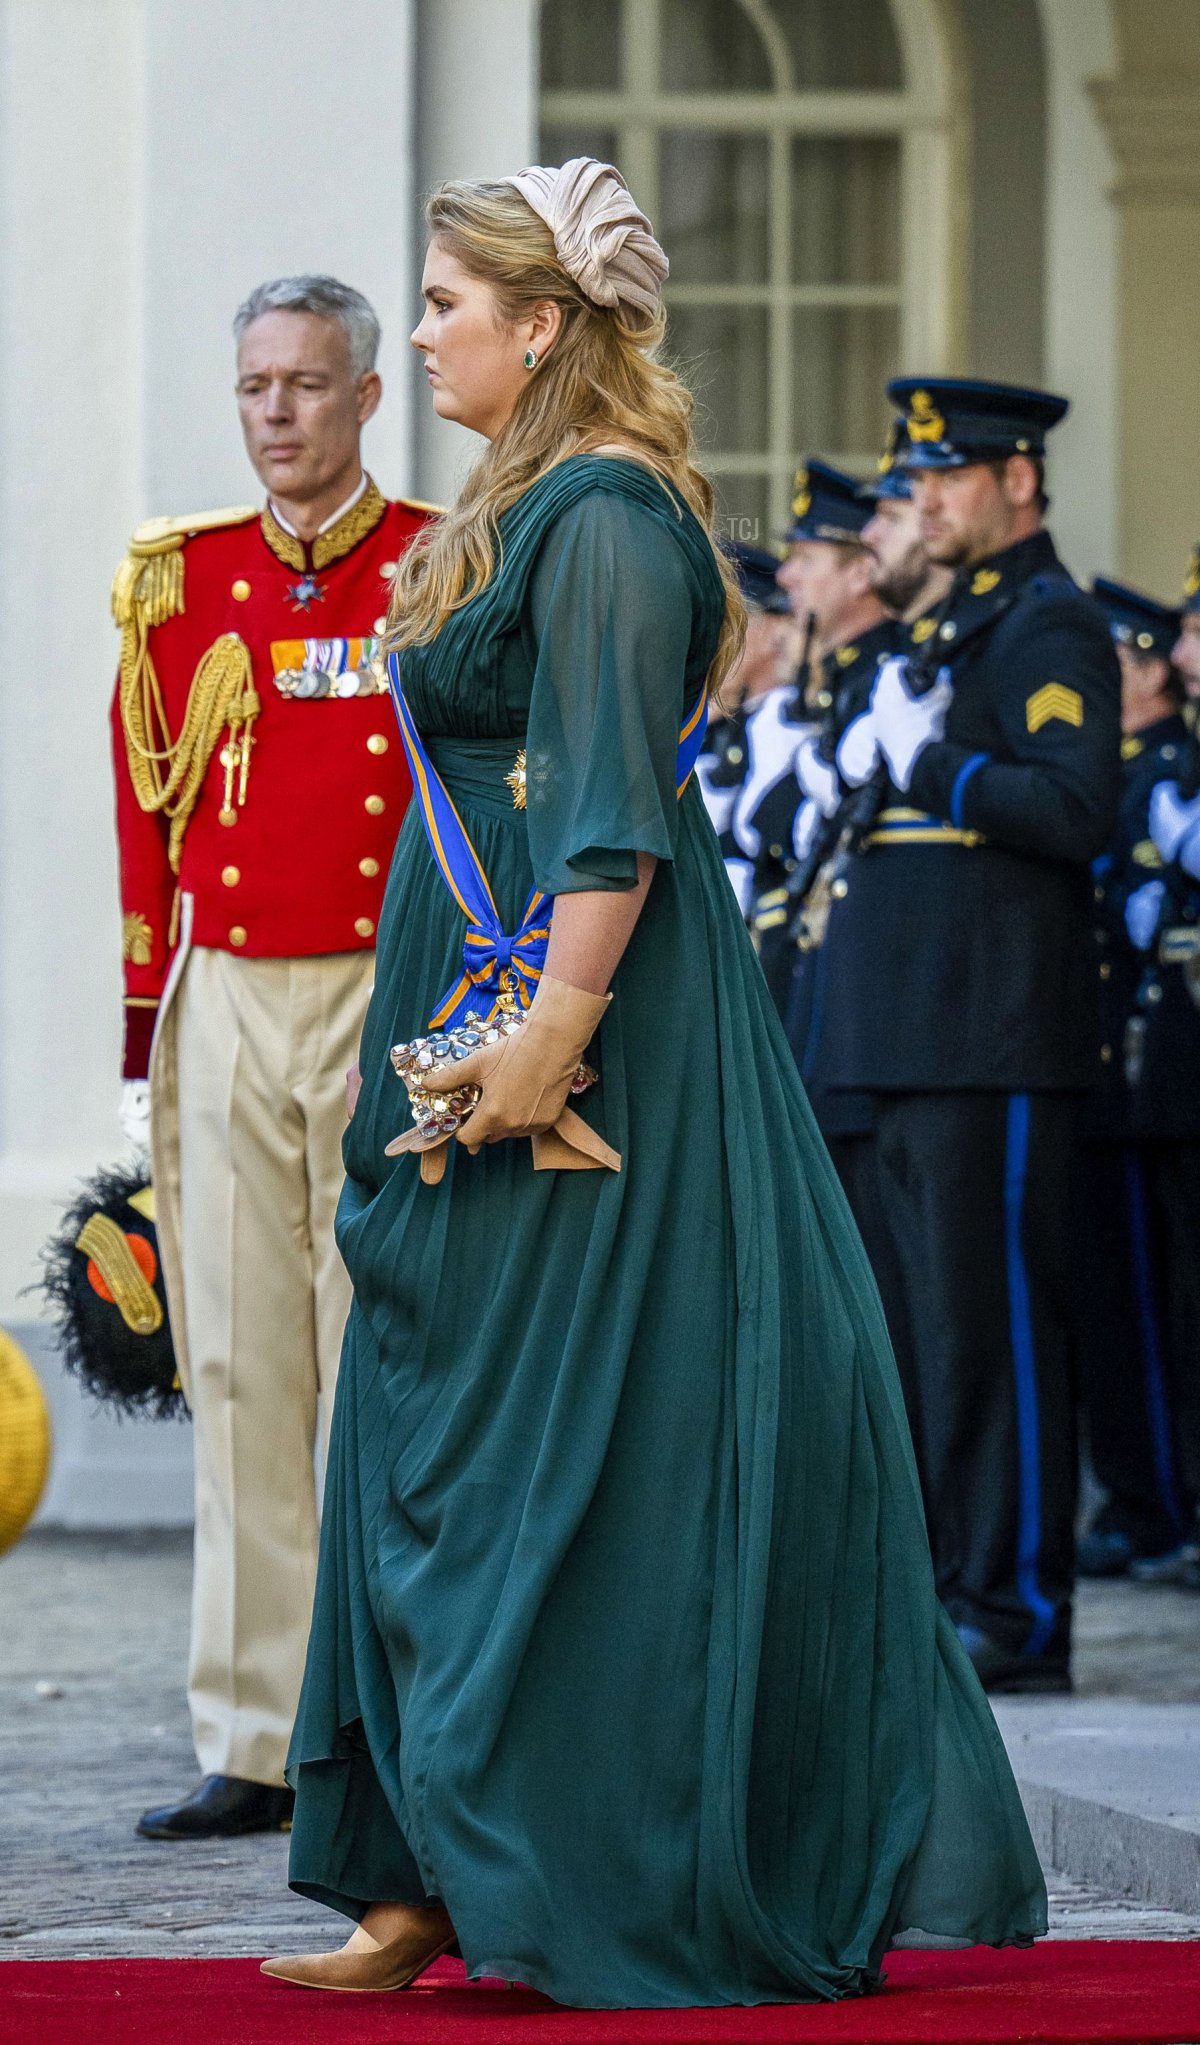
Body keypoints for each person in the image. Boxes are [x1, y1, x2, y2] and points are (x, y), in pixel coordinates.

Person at [260, 162, 1044, 2007]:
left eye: (447, 300)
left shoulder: (604, 512)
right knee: (430, 1414)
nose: (424, 327)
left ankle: (580, 1859)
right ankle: (431, 1864)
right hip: (476, 1008)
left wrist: (546, 1041)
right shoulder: (515, 504)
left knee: (565, 1445)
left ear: (542, 328)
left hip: (580, 1030)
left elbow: (605, 818)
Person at [111, 275, 436, 1839]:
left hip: (390, 987)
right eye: (254, 388)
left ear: (370, 397)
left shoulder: (437, 563)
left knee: (371, 1363)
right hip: (231, 985)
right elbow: (144, 814)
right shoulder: (184, 583)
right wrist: (135, 1028)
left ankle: (374, 1716)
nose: (277, 415)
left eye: (307, 385)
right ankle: (249, 1730)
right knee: (240, 1362)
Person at [811, 377, 1121, 1695]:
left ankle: (1017, 1607)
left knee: (994, 1336)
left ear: (1018, 482)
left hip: (988, 1036)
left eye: (943, 477)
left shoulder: (1050, 627)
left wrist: (929, 764)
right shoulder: (939, 637)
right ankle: (948, 1584)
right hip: (896, 1037)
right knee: (922, 1338)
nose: (921, 500)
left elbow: (1070, 807)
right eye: (914, 480)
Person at [1074, 577, 1199, 1582]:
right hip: (1126, 1066)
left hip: (1158, 1065)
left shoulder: (1166, 768)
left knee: (1164, 1300)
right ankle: (1149, 1494)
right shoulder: (1128, 770)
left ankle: (1162, 1495)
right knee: (1134, 1299)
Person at [743, 460, 896, 1014]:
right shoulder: (846, 686)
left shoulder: (887, 679)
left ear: (860, 575)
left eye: (806, 559)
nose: (786, 577)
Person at [695, 541, 799, 914]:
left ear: (776, 629)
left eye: (728, 623)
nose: (705, 641)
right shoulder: (707, 733)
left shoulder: (792, 723)